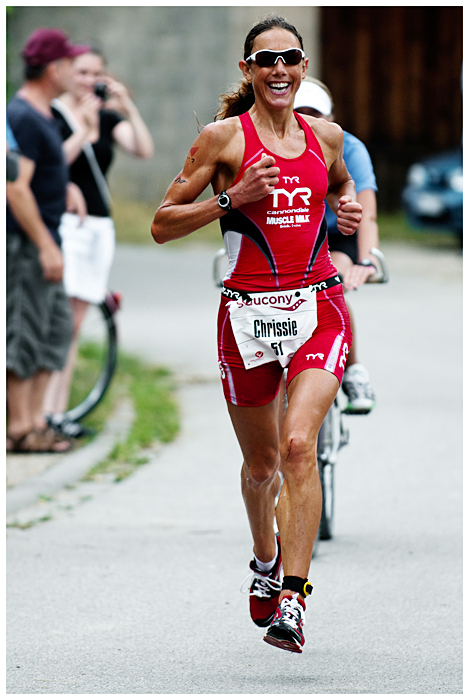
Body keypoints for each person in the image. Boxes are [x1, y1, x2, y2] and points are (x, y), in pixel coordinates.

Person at [151, 15, 362, 653]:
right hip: (246, 315)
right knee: (261, 463)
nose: (278, 70)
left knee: (299, 446)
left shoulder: (327, 137)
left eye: (289, 58)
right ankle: (265, 560)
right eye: (265, 60)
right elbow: (161, 223)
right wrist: (230, 199)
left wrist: (345, 209)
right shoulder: (222, 140)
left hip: (319, 305)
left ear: (303, 67)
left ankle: (293, 602)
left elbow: (343, 187)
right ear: (247, 70)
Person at [43, 46, 154, 437]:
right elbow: (50, 163)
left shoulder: (106, 118)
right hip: (66, 225)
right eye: (83, 72)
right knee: (61, 323)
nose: (89, 80)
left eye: (96, 73)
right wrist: (83, 131)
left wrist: (127, 107)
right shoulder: (52, 114)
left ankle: (58, 414)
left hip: (98, 228)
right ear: (66, 72)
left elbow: (143, 148)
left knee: (73, 323)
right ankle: (47, 414)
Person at [6, 28, 89, 453]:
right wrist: (44, 243)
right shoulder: (22, 115)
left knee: (54, 330)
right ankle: (18, 429)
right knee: (25, 332)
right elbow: (14, 188)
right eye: (72, 64)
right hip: (27, 245)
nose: (76, 72)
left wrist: (67, 189)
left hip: (47, 239)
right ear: (53, 68)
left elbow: (41, 178)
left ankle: (35, 421)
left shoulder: (45, 115)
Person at [294, 77, 379, 413]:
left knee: (333, 282)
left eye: (317, 115)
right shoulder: (272, 146)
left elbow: (366, 216)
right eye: (301, 115)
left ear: (330, 119)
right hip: (292, 237)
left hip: (336, 235)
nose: (310, 123)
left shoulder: (350, 149)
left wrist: (368, 260)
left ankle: (353, 370)